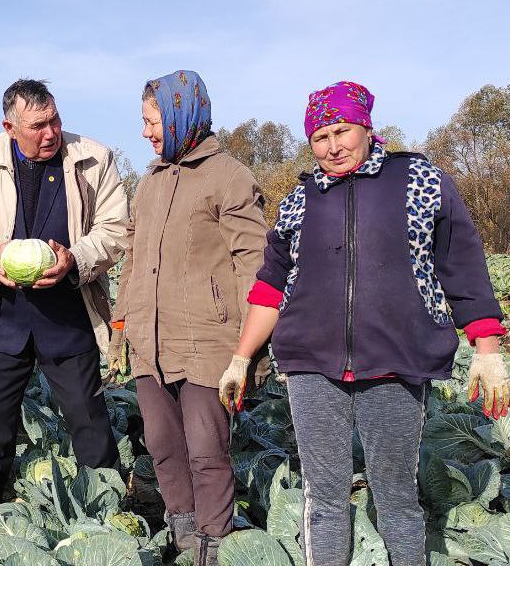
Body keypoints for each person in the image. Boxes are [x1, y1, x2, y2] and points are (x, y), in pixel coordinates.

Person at [218, 81, 510, 566]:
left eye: (342, 130)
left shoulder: (419, 180)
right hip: (311, 366)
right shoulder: (299, 201)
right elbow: (270, 287)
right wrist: (240, 357)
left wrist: (487, 346)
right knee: (324, 497)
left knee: (396, 494)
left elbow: (461, 262)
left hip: (396, 360)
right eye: (320, 137)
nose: (332, 146)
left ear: (367, 128)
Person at [0, 79, 127, 515]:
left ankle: (109, 511)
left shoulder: (93, 158)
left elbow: (115, 230)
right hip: (0, 314)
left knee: (88, 420)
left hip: (68, 312)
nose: (51, 133)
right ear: (10, 126)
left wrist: (76, 260)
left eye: (55, 121)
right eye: (38, 126)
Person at [109, 70, 268, 565]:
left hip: (209, 341)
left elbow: (255, 264)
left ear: (182, 116)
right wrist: (122, 329)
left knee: (206, 452)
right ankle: (183, 540)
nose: (145, 132)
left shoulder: (229, 176)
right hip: (150, 342)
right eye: (143, 122)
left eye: (152, 121)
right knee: (162, 448)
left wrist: (250, 351)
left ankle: (214, 547)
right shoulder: (151, 180)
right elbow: (132, 260)